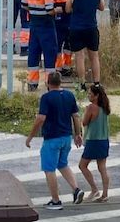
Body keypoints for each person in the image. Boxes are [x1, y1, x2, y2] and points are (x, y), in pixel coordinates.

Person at [26, 71, 85, 210]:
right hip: (66, 137)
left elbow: (41, 118)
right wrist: (78, 134)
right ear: (60, 82)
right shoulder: (69, 95)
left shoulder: (46, 98)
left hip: (52, 138)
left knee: (49, 169)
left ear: (48, 83)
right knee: (62, 164)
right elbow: (76, 116)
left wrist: (30, 137)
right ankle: (76, 189)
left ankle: (56, 201)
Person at [67, 0, 104, 89]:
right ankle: (97, 83)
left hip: (76, 28)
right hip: (91, 27)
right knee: (94, 56)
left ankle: (82, 83)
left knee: (79, 57)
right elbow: (102, 7)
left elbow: (67, 9)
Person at [78, 83, 111, 203]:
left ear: (96, 96)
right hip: (104, 140)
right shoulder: (105, 107)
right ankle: (105, 193)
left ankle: (94, 189)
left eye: (90, 94)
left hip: (93, 140)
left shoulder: (91, 107)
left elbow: (84, 122)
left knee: (82, 165)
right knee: (102, 168)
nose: (88, 95)